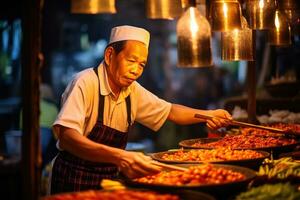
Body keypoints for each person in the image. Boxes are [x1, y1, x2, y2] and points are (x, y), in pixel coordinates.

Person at [50, 25, 232, 194]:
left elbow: (171, 111)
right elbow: (67, 138)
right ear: (109, 55)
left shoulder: (132, 90)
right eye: (131, 61)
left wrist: (208, 115)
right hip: (74, 180)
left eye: (141, 65)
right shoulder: (85, 82)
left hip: (110, 181)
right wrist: (121, 156)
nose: (136, 70)